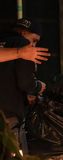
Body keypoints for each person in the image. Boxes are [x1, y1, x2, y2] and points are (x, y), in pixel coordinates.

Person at [0, 18, 47, 152]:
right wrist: (38, 86)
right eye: (34, 40)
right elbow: (25, 82)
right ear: (23, 34)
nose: (33, 45)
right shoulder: (24, 46)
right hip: (8, 114)